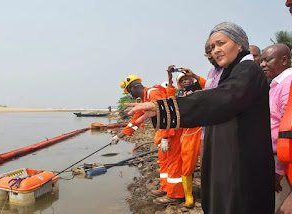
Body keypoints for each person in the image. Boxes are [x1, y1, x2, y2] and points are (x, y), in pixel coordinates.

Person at [125, 22, 275, 214]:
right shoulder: (228, 72)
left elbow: (223, 99)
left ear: (239, 44)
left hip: (242, 162)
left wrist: (162, 108)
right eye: (212, 47)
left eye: (221, 43)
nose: (215, 50)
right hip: (225, 155)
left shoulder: (248, 70)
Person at [111, 75, 185, 205]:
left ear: (135, 86)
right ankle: (166, 188)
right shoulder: (144, 99)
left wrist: (166, 137)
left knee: (173, 162)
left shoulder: (153, 93)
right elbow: (135, 121)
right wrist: (119, 136)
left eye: (129, 91)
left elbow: (167, 113)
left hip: (172, 132)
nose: (130, 95)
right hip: (164, 133)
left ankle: (175, 195)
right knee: (164, 161)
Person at [166, 66, 206, 208]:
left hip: (206, 130)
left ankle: (208, 192)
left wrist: (194, 74)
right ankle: (189, 196)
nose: (185, 81)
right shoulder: (180, 97)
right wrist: (170, 77)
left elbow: (208, 84)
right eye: (181, 80)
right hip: (188, 133)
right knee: (187, 164)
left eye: (186, 78)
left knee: (207, 163)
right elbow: (169, 98)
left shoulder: (202, 90)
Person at [260, 43, 292, 213]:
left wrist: (279, 168)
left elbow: (287, 129)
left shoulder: (288, 84)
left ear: (284, 60)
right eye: (262, 61)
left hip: (284, 163)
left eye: (267, 60)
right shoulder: (276, 84)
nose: (262, 64)